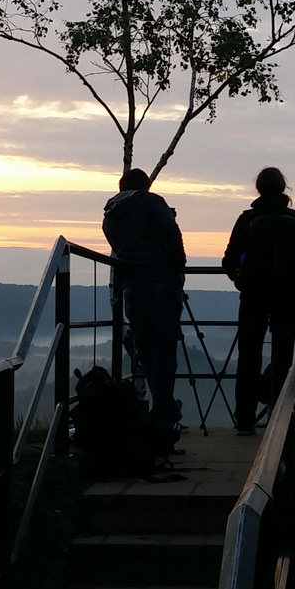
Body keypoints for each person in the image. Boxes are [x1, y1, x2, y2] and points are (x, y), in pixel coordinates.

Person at [222, 167, 295, 435]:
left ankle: (244, 420)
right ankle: (283, 418)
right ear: (283, 188)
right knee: (286, 354)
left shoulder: (247, 219)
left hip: (253, 293)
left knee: (249, 354)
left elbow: (228, 260)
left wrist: (239, 277)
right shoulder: (294, 218)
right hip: (287, 293)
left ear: (259, 189)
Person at [102, 168, 187, 419]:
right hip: (162, 279)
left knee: (146, 346)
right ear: (146, 185)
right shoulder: (152, 201)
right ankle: (164, 406)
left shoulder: (111, 213)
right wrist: (179, 267)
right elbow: (171, 232)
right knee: (165, 344)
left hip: (132, 285)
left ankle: (160, 404)